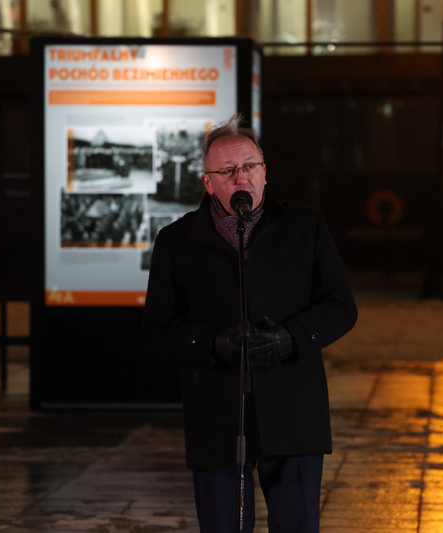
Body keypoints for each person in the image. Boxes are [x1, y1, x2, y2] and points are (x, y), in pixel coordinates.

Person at [141, 113, 357, 532]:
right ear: (209, 182)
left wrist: (289, 338)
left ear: (264, 172)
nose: (242, 178)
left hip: (293, 411)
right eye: (228, 171)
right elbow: (156, 330)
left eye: (250, 167)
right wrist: (212, 343)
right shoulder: (177, 240)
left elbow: (339, 307)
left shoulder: (304, 226)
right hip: (218, 415)